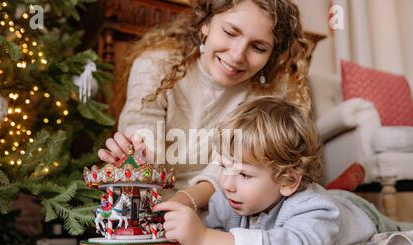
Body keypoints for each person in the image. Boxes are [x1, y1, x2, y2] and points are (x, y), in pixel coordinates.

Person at [153, 97, 413, 245]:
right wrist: (188, 242)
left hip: (356, 211)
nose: (226, 183)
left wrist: (204, 239)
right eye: (223, 166)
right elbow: (219, 232)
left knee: (403, 232)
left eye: (243, 174)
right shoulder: (228, 196)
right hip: (327, 197)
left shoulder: (314, 210)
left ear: (287, 181)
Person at [98, 0, 312, 211]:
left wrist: (185, 201)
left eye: (258, 47)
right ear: (206, 23)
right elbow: (141, 130)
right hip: (155, 198)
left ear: (271, 54)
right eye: (230, 33)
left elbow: (235, 168)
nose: (237, 56)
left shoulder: (272, 90)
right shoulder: (154, 65)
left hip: (228, 205)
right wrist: (137, 158)